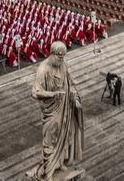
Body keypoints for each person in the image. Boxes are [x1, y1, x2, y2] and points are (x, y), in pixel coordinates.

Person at [27, 41, 83, 179]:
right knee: (50, 140)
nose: (61, 60)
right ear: (52, 54)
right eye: (59, 57)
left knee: (63, 135)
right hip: (51, 111)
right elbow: (35, 92)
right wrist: (52, 94)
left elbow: (69, 82)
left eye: (63, 57)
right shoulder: (43, 69)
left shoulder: (62, 64)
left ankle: (59, 162)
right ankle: (48, 172)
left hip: (64, 106)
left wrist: (74, 95)